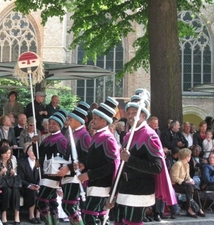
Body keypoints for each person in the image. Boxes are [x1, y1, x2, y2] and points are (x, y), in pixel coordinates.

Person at [114, 90, 176, 225]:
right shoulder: (128, 136)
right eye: (129, 113)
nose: (130, 116)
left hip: (140, 189)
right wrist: (115, 189)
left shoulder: (150, 136)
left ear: (143, 115)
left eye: (134, 113)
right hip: (125, 188)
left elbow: (157, 167)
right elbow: (122, 165)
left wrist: (130, 159)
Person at [77, 97, 120, 225]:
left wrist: (88, 174)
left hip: (101, 185)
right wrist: (84, 166)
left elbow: (111, 165)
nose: (93, 120)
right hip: (95, 183)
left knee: (89, 217)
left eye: (95, 118)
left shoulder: (107, 138)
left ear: (103, 121)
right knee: (99, 218)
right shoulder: (97, 136)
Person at [59, 102, 91, 225]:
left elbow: (85, 159)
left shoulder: (84, 135)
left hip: (75, 176)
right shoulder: (72, 133)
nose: (68, 121)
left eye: (71, 119)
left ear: (78, 121)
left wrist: (70, 168)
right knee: (66, 205)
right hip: (69, 174)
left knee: (70, 206)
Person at [36, 111, 67, 225]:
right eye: (50, 123)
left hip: (53, 175)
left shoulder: (61, 140)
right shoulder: (46, 139)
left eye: (54, 124)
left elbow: (62, 157)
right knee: (52, 201)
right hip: (45, 173)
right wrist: (35, 143)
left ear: (59, 125)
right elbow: (40, 154)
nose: (51, 126)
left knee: (41, 201)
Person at [170, 148, 205, 218]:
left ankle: (199, 208)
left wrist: (191, 180)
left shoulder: (187, 165)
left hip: (183, 184)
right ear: (185, 156)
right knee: (190, 188)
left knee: (194, 188)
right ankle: (189, 209)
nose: (190, 157)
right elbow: (174, 177)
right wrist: (185, 181)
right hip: (175, 184)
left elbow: (187, 176)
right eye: (189, 156)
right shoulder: (178, 164)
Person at [0, 145, 21, 225]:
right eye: (5, 153)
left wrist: (14, 173)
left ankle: (17, 214)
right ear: (1, 154)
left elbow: (16, 176)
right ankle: (4, 214)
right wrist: (0, 173)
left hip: (12, 181)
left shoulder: (13, 160)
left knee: (16, 191)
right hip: (2, 183)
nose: (7, 155)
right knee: (7, 190)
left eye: (9, 153)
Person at [18, 143, 41, 224]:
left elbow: (41, 177)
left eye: (35, 151)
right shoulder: (22, 162)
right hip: (26, 186)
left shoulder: (40, 163)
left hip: (37, 185)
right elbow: (20, 178)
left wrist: (38, 185)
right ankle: (31, 215)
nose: (34, 153)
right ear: (28, 152)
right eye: (32, 151)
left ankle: (38, 215)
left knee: (41, 191)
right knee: (32, 192)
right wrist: (29, 185)